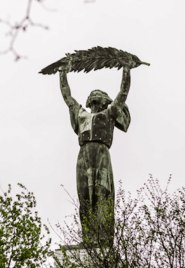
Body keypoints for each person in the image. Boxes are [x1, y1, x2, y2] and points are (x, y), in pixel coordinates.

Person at [58, 59, 135, 247]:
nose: (97, 96)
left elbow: (122, 93)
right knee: (84, 196)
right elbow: (67, 98)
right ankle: (88, 239)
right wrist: (62, 73)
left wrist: (126, 69)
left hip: (101, 154)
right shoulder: (81, 114)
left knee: (102, 194)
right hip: (83, 155)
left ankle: (102, 238)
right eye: (96, 95)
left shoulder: (109, 114)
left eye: (101, 95)